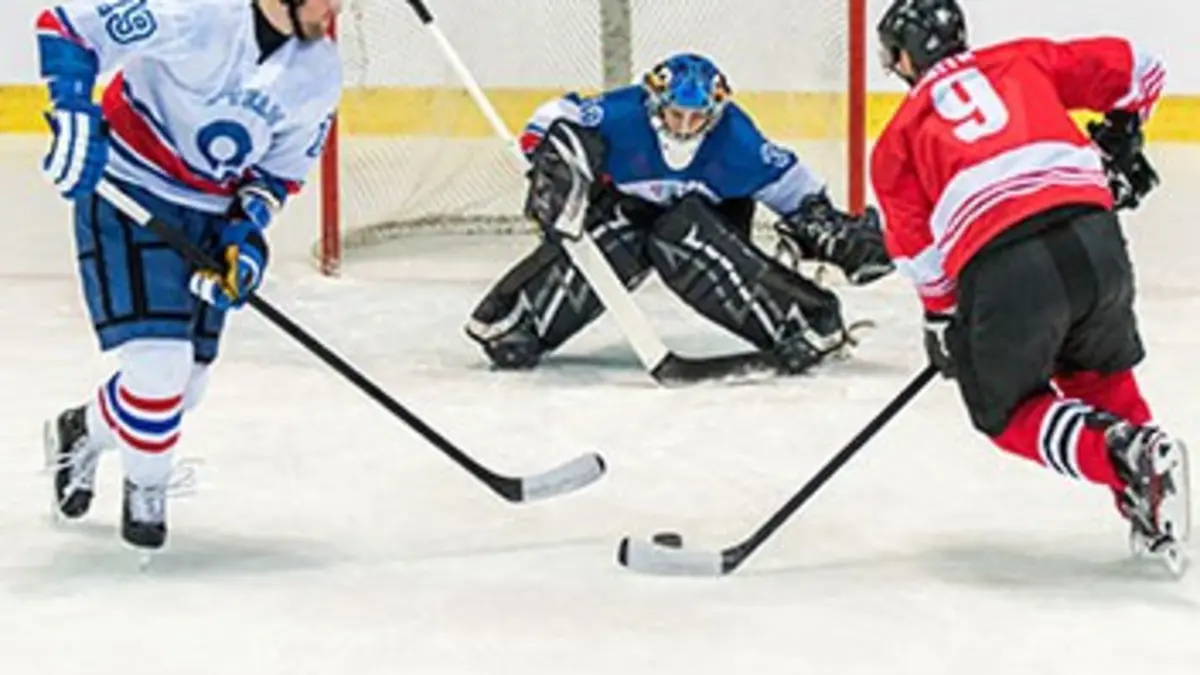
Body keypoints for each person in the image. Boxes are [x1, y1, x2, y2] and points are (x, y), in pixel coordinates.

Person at [871, 0, 1189, 572]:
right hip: (1098, 242)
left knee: (1006, 408)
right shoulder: (1023, 59)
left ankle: (1120, 454)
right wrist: (1121, 136)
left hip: (1006, 265)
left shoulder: (898, 138)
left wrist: (945, 321)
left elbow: (921, 256)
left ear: (904, 56)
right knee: (1101, 375)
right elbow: (1145, 69)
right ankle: (1151, 499)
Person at [35, 0, 342, 551]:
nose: (338, 7)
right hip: (130, 188)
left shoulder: (320, 70)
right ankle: (146, 492)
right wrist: (74, 111)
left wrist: (246, 235)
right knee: (158, 369)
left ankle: (82, 429)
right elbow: (66, 27)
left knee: (187, 387)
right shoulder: (198, 11)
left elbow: (276, 174)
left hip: (208, 215)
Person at [465, 53, 894, 374]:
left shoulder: (736, 140)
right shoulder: (621, 114)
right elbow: (554, 117)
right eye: (676, 114)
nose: (685, 127)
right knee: (622, 235)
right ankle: (518, 319)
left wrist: (828, 227)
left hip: (707, 225)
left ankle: (803, 321)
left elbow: (797, 190)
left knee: (677, 233)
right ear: (654, 104)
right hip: (628, 212)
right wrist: (554, 161)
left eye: (697, 117)